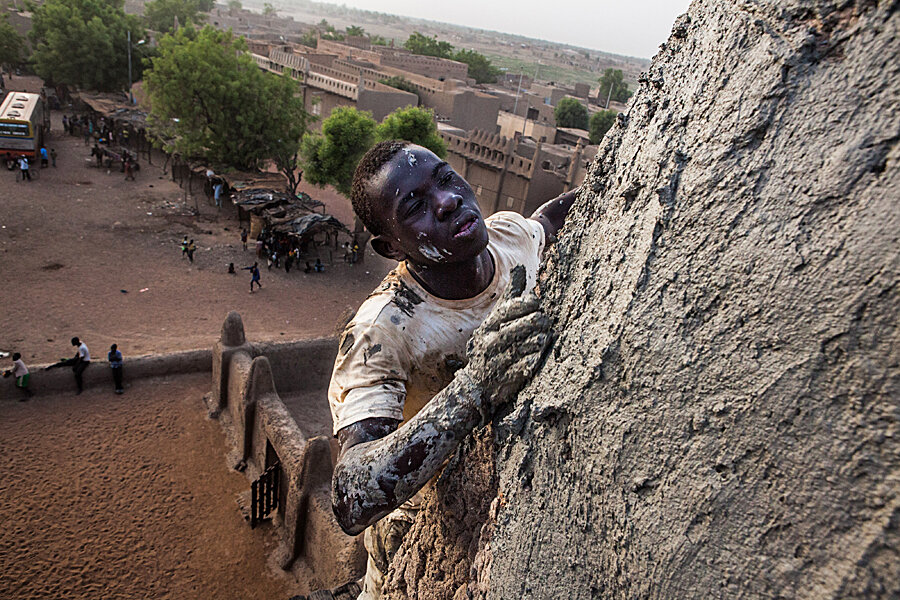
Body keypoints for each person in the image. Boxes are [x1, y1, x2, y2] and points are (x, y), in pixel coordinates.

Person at [328, 141, 576, 599]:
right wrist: (473, 390)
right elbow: (351, 497)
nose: (447, 202)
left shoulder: (507, 239)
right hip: (429, 534)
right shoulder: (382, 331)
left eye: (444, 178)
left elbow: (549, 221)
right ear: (390, 245)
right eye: (416, 206)